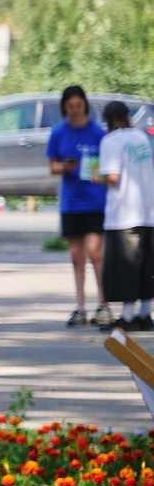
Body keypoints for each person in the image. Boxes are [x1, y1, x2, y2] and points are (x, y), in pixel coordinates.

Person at [48, 84, 109, 328]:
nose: (75, 110)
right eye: (70, 106)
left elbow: (108, 166)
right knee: (76, 257)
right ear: (65, 108)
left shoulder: (97, 133)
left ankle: (104, 304)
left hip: (95, 199)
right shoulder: (59, 133)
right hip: (72, 201)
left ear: (85, 105)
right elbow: (51, 166)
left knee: (96, 253)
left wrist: (101, 175)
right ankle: (80, 306)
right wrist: (64, 167)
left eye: (79, 105)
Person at [96, 101, 152, 334]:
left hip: (123, 212)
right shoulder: (140, 138)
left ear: (108, 120)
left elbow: (112, 176)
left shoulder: (111, 140)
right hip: (148, 211)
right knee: (146, 265)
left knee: (126, 267)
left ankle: (127, 317)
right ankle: (145, 313)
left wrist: (96, 177)